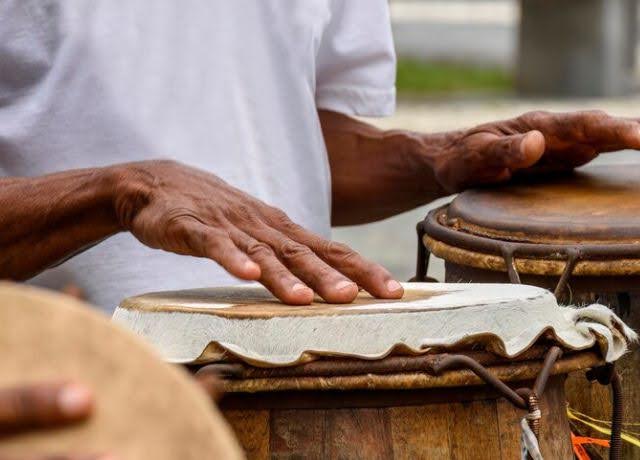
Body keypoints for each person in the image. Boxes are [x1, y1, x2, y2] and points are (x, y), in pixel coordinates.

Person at [2, 1, 639, 313]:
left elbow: (287, 147)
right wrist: (119, 191)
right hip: (62, 392)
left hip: (301, 374)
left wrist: (443, 159)